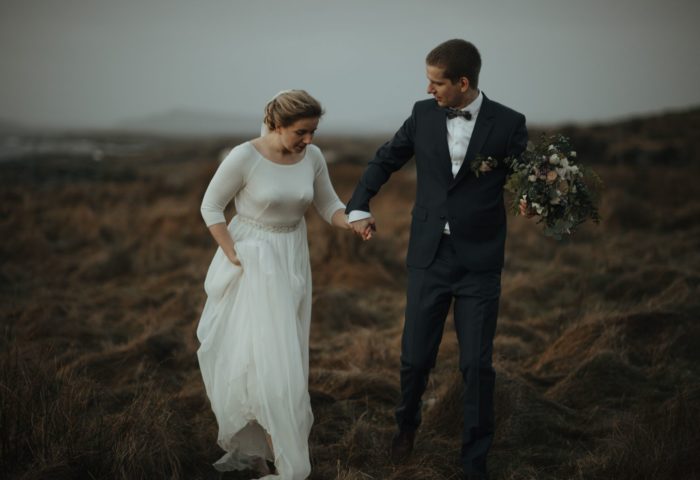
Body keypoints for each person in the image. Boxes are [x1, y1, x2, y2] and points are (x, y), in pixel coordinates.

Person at [346, 39, 528, 480]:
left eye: (437, 82)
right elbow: (388, 157)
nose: (429, 89)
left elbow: (526, 174)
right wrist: (359, 204)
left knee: (476, 366)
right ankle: (406, 428)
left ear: (463, 83)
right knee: (414, 358)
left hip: (479, 262)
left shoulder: (508, 123)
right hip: (429, 256)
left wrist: (531, 198)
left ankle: (475, 460)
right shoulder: (423, 113)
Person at [196, 90, 349, 480]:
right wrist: (232, 253)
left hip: (293, 257)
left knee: (287, 352)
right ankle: (269, 450)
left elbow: (329, 205)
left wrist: (354, 222)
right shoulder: (244, 156)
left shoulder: (312, 158)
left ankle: (273, 445)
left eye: (314, 131)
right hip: (253, 261)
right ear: (277, 125)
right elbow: (211, 206)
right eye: (301, 132)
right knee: (259, 356)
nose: (309, 140)